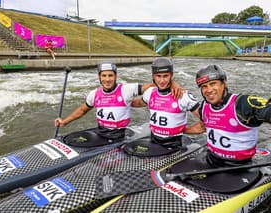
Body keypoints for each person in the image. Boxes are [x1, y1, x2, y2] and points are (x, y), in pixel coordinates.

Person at [54, 61, 182, 141]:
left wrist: (173, 83)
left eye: (110, 75)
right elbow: (82, 110)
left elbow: (155, 84)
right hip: (100, 133)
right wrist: (64, 122)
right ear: (99, 77)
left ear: (115, 76)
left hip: (118, 137)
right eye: (104, 76)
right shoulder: (94, 94)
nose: (107, 79)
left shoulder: (126, 90)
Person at [187, 64, 271, 167]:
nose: (208, 90)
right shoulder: (205, 106)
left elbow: (266, 110)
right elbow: (202, 126)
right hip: (211, 160)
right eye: (204, 86)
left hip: (239, 167)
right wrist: (179, 131)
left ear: (224, 83)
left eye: (213, 84)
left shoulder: (242, 103)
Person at [130, 57, 200, 150]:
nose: (162, 81)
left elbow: (207, 119)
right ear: (153, 76)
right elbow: (137, 103)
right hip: (153, 141)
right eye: (158, 76)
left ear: (171, 75)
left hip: (174, 145)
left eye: (165, 76)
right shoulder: (150, 92)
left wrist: (186, 130)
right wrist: (117, 99)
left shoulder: (183, 95)